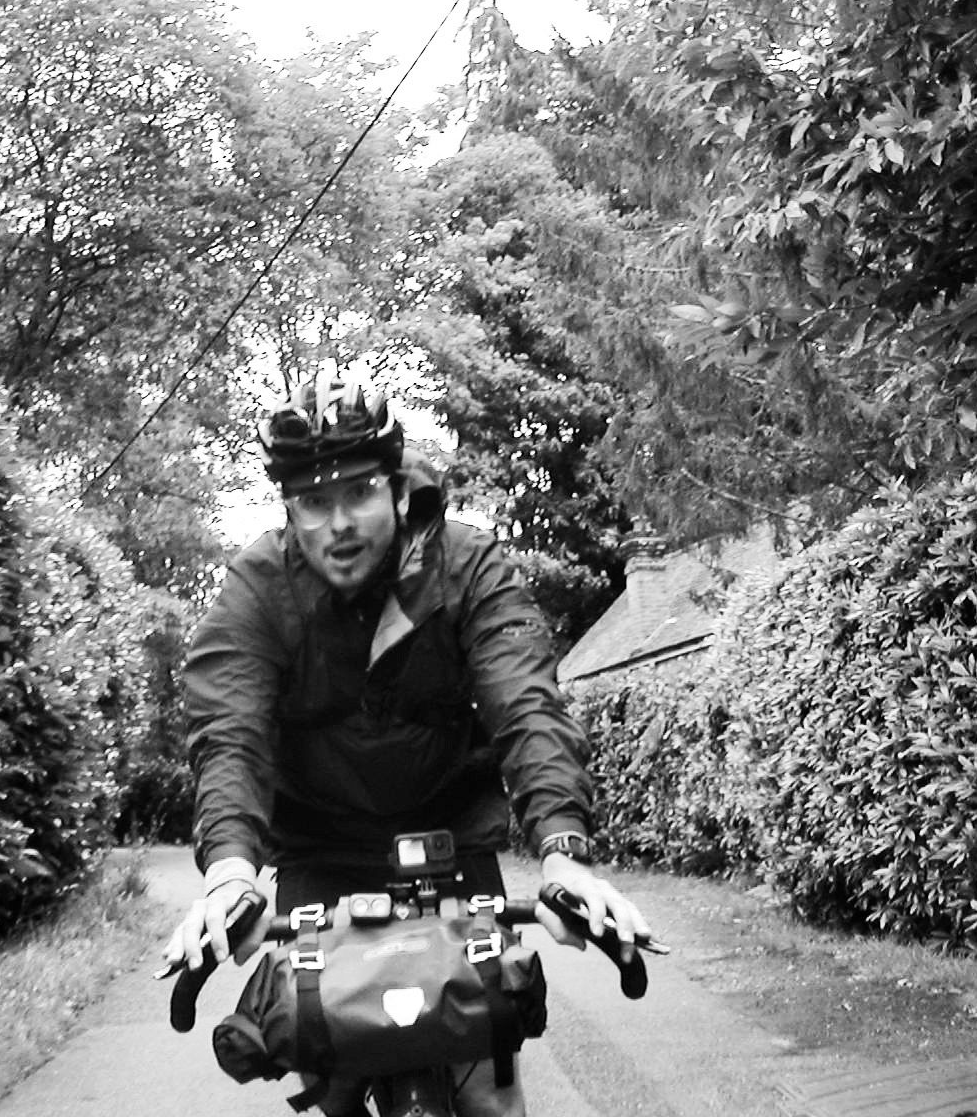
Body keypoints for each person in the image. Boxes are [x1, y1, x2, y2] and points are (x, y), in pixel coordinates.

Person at [163, 365, 653, 1117]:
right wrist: (231, 874)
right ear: (290, 510)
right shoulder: (258, 588)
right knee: (329, 1064)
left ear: (397, 490)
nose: (339, 522)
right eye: (313, 502)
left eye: (359, 492)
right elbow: (230, 734)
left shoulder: (468, 564)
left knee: (487, 1090)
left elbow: (526, 705)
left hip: (449, 842)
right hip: (322, 853)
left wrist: (562, 853)